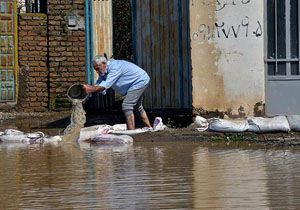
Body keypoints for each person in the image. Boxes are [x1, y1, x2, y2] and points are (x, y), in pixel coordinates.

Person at [83, 55, 152, 130]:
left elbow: (104, 86)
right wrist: (91, 89)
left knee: (127, 105)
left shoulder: (114, 68)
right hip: (135, 82)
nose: (96, 72)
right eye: (95, 70)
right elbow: (99, 82)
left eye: (97, 69)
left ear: (104, 63)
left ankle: (131, 132)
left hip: (139, 81)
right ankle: (149, 128)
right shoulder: (104, 70)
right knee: (137, 107)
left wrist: (92, 89)